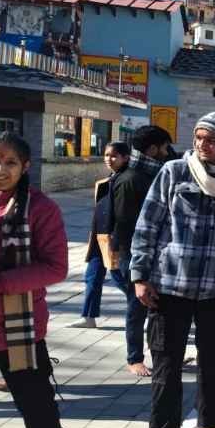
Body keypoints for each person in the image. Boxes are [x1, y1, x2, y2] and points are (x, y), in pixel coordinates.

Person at [131, 112, 215, 428]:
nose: (202, 145)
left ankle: (210, 421)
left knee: (214, 361)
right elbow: (148, 224)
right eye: (198, 137)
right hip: (171, 284)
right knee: (167, 363)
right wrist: (140, 275)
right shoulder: (175, 172)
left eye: (210, 139)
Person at [0, 132, 93, 428]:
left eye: (10, 162)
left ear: (26, 166)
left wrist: (0, 283)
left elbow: (55, 267)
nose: (0, 169)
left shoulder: (40, 208)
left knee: (34, 398)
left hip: (15, 321)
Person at [71, 142, 149, 331]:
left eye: (114, 156)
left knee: (120, 278)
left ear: (125, 157)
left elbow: (124, 216)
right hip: (99, 237)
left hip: (114, 239)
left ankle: (145, 309)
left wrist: (117, 242)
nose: (109, 159)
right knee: (92, 276)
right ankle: (89, 316)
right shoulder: (110, 179)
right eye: (106, 155)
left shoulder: (127, 179)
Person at [124, 126, 174, 376]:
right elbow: (125, 223)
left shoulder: (154, 174)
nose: (167, 152)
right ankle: (134, 358)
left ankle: (158, 355)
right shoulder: (132, 178)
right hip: (134, 254)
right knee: (137, 306)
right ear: (153, 149)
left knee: (152, 306)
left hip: (152, 254)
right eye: (165, 147)